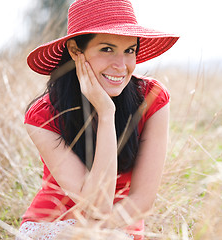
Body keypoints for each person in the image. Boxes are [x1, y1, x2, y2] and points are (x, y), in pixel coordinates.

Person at [17, 0, 179, 239]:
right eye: (106, 49)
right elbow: (96, 206)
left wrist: (97, 234)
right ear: (75, 51)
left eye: (129, 50)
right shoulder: (43, 115)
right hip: (53, 227)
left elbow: (141, 200)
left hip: (118, 229)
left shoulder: (152, 98)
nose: (121, 65)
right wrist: (105, 114)